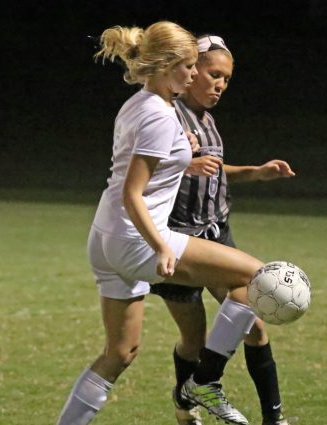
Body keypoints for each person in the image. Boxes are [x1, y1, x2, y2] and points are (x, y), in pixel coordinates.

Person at [55, 22, 277, 425]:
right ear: (167, 65)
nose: (194, 74)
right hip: (135, 238)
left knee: (120, 353)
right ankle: (204, 382)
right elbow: (133, 193)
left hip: (104, 238)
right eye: (189, 66)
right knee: (258, 280)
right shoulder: (160, 115)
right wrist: (159, 245)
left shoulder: (139, 104)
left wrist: (181, 153)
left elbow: (145, 166)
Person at [149, 35, 297, 425]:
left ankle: (274, 417)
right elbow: (147, 170)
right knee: (194, 339)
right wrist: (184, 165)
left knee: (255, 322)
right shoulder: (167, 115)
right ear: (191, 70)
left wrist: (256, 172)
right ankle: (187, 408)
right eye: (214, 74)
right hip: (176, 238)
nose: (220, 85)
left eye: (227, 79)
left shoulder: (208, 122)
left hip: (216, 232)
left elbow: (214, 170)